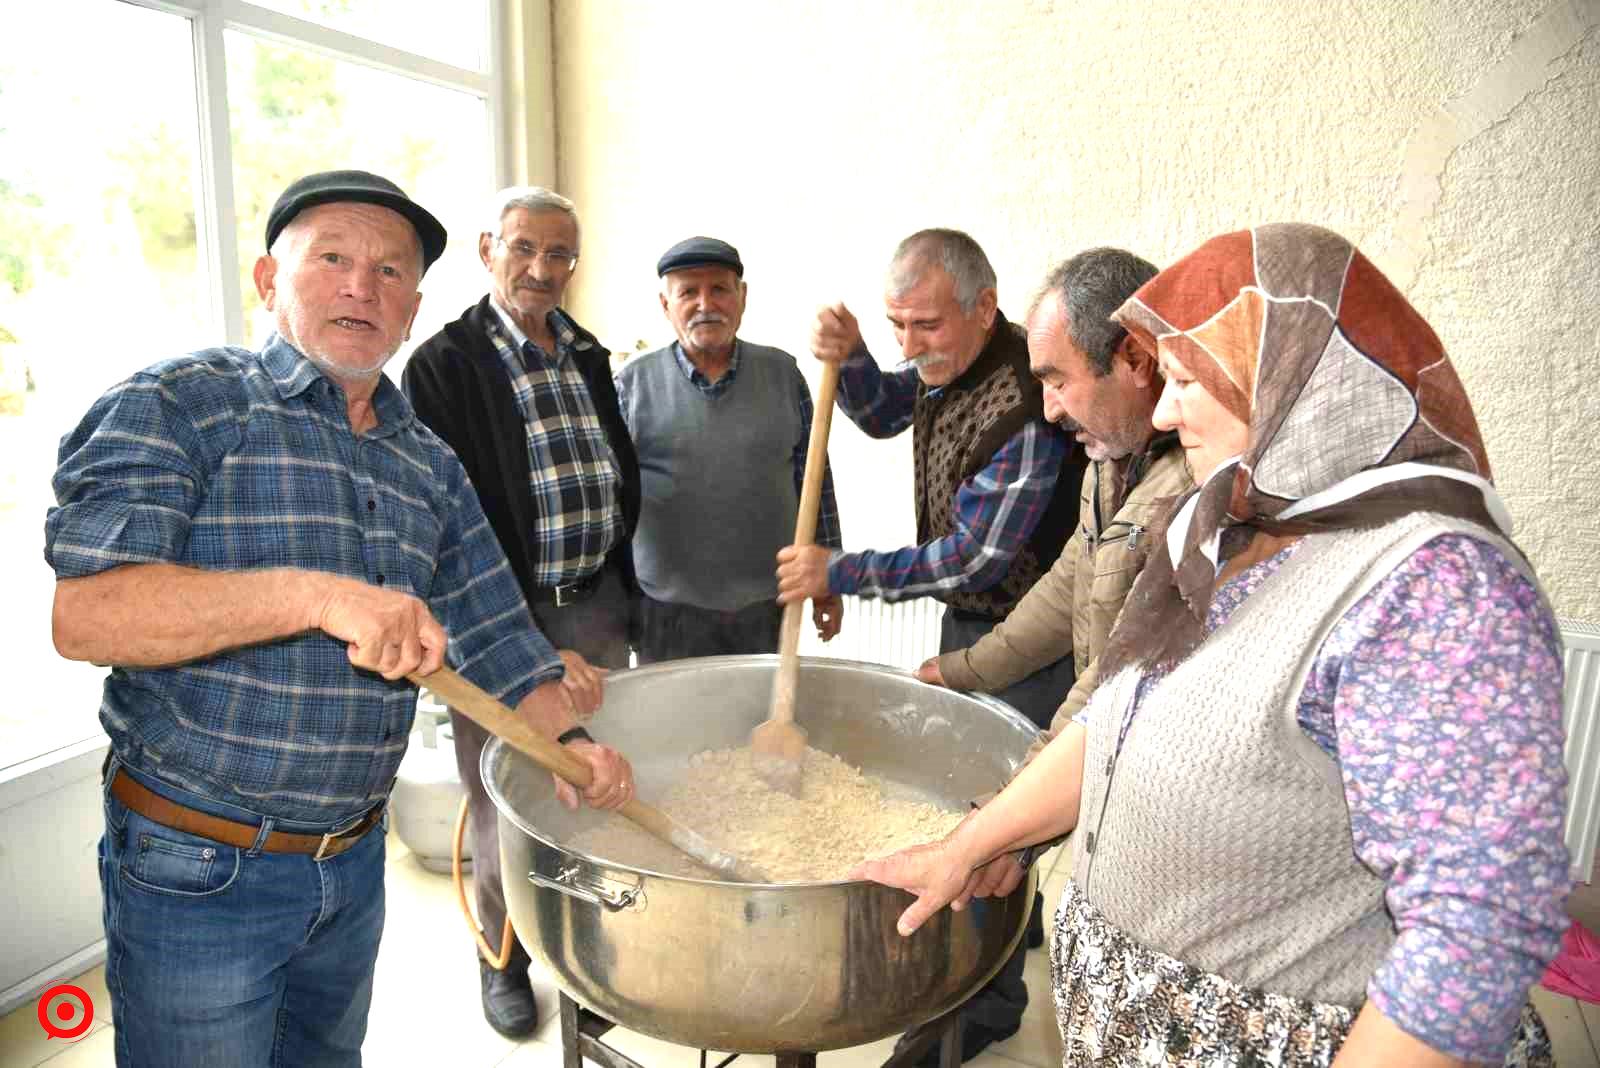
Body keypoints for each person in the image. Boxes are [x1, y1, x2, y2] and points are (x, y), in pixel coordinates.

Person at [856, 223, 1570, 1066]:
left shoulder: (1433, 584)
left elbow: (1476, 927)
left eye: (1188, 380)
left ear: (1290, 382)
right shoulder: (1225, 528)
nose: (1161, 408)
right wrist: (969, 848)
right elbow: (1113, 719)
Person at [46, 170, 636, 1068]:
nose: (363, 285)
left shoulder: (427, 463)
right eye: (332, 258)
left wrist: (577, 742)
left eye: (391, 272)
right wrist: (318, 596)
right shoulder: (184, 402)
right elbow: (89, 616)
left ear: (412, 308)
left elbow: (498, 639)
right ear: (266, 280)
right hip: (198, 867)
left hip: (352, 865)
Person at [779, 229, 1088, 1065]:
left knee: (989, 818)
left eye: (926, 327)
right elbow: (891, 409)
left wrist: (840, 572)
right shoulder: (947, 363)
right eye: (895, 325)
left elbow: (973, 556)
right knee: (985, 814)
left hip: (1030, 638)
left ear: (984, 308)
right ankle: (1000, 947)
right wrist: (853, 366)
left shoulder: (1027, 403)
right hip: (975, 619)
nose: (910, 347)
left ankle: (984, 1005)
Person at [402, 186, 640, 1038]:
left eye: (561, 255)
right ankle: (501, 958)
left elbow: (614, 479)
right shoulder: (443, 367)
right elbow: (446, 530)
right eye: (524, 249)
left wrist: (622, 602)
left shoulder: (587, 353)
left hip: (598, 606)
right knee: (505, 805)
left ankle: (587, 958)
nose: (542, 270)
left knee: (594, 787)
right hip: (503, 622)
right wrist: (532, 645)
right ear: (485, 249)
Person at [915, 247, 1191, 894]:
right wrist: (963, 669)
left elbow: (1112, 679)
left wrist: (1004, 825)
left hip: (1151, 796)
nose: (1048, 410)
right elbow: (1070, 582)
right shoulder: (1112, 457)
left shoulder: (1191, 493)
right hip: (1101, 781)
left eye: (1057, 380)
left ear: (1135, 360)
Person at [615, 235, 843, 661]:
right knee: (672, 727)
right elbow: (613, 507)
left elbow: (815, 481)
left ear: (742, 297)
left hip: (767, 605)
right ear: (666, 306)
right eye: (688, 292)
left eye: (719, 288)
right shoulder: (631, 384)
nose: (706, 303)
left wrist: (828, 579)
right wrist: (619, 601)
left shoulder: (783, 373)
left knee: (756, 722)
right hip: (665, 611)